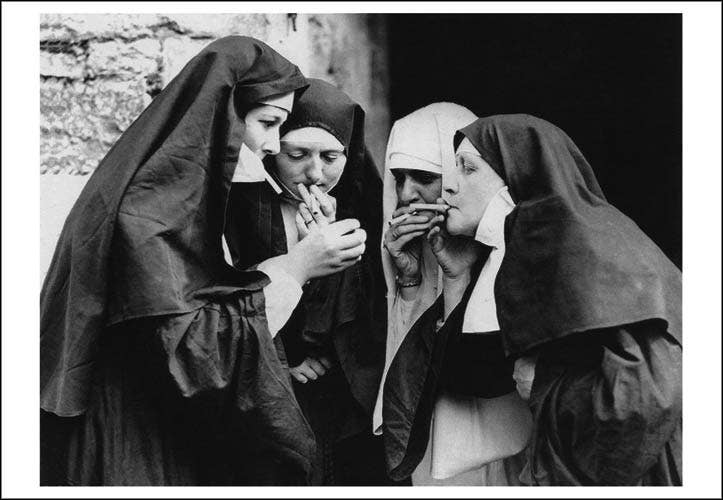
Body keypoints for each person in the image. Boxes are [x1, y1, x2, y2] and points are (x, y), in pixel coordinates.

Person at [40, 36, 368, 486]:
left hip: (167, 422)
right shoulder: (152, 208)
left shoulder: (185, 196)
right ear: (223, 114)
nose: (272, 146)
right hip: (132, 436)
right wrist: (296, 268)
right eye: (268, 123)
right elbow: (193, 351)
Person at [443, 114, 682, 485]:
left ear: (517, 175)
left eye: (468, 169)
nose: (448, 187)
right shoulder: (519, 252)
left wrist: (545, 385)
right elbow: (473, 375)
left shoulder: (581, 244)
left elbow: (646, 395)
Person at [224, 78, 391, 485]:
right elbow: (230, 293)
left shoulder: (359, 202)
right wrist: (288, 358)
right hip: (267, 382)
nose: (315, 172)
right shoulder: (241, 204)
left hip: (341, 388)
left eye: (331, 156)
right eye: (297, 154)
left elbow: (374, 303)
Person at [374, 103, 530, 485]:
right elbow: (406, 364)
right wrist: (408, 279)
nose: (407, 193)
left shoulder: (507, 243)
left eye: (424, 177)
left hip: (497, 432)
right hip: (431, 436)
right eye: (399, 177)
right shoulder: (406, 245)